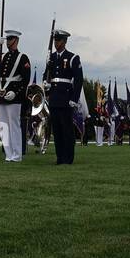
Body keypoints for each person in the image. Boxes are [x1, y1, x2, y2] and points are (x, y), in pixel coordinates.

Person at [0, 30, 30, 162]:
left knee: (14, 125)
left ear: (16, 40)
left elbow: (25, 79)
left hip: (13, 96)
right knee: (4, 126)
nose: (7, 42)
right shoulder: (4, 56)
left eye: (10, 39)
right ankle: (8, 153)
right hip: (1, 93)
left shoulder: (22, 57)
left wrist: (17, 93)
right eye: (6, 39)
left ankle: (17, 154)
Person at [44, 29, 84, 165]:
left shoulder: (72, 57)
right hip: (54, 98)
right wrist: (46, 85)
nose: (56, 43)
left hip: (66, 98)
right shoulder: (52, 57)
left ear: (65, 41)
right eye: (55, 40)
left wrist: (74, 99)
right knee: (57, 130)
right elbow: (47, 75)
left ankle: (68, 158)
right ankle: (60, 157)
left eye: (59, 40)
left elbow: (78, 80)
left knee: (67, 129)